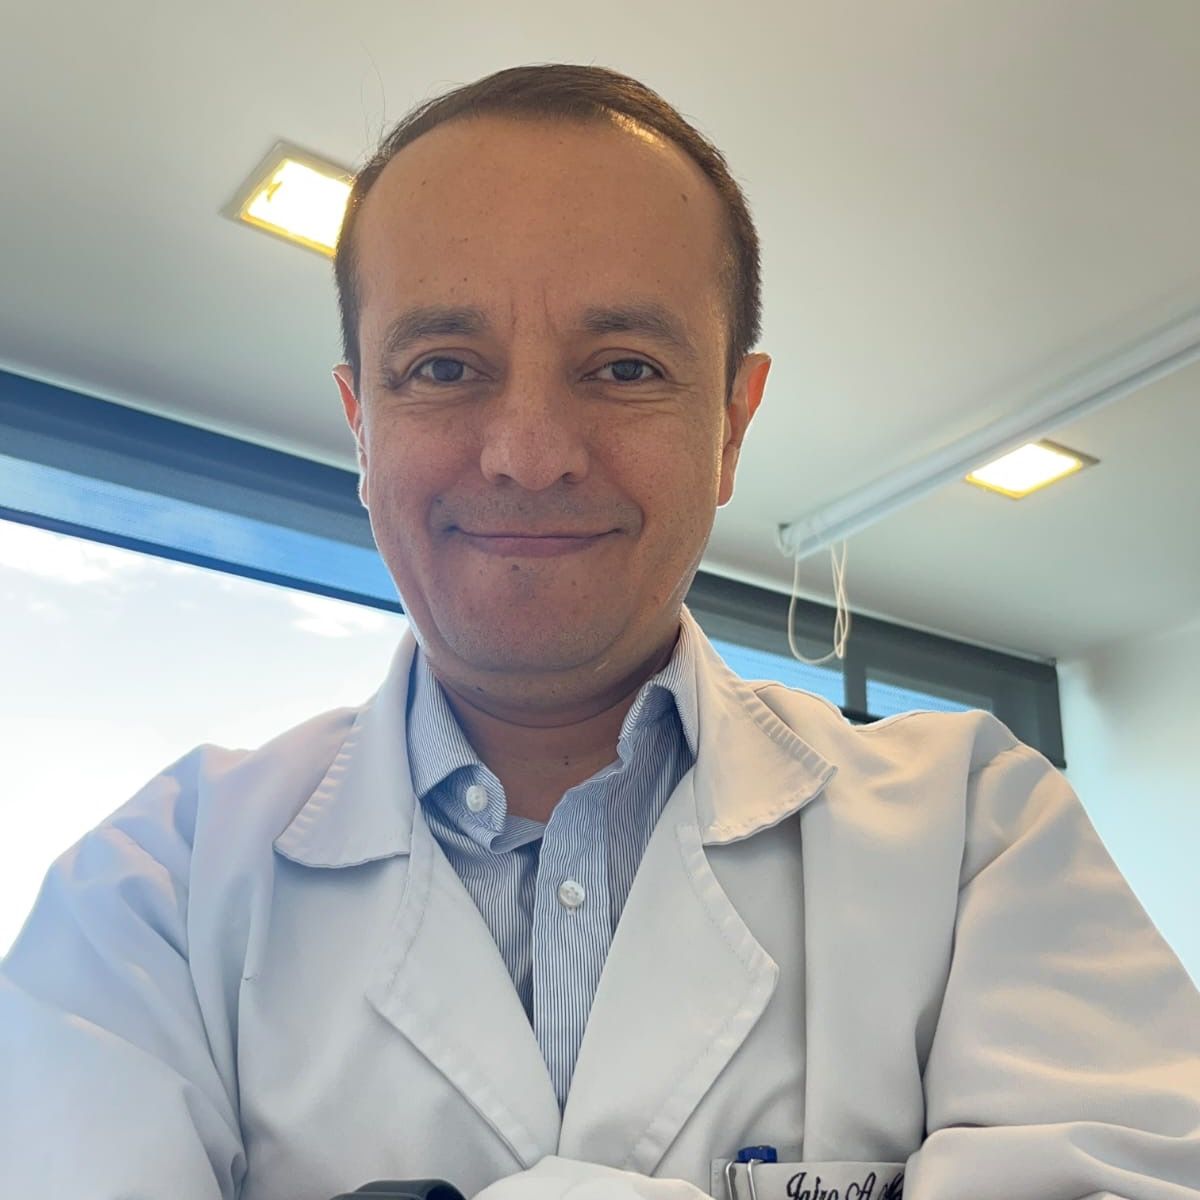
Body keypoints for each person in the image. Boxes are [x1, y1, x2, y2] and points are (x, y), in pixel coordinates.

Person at [2, 63, 1198, 1200]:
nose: (529, 454)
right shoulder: (154, 893)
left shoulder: (978, 832)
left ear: (731, 425)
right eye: (443, 366)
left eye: (624, 368)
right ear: (361, 425)